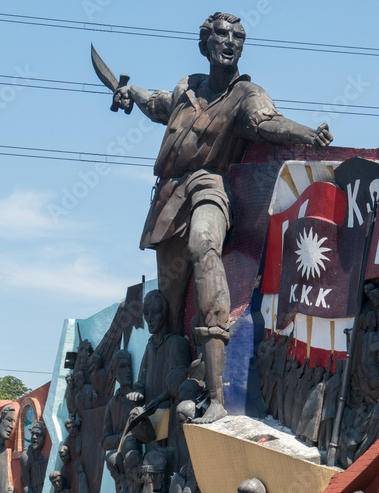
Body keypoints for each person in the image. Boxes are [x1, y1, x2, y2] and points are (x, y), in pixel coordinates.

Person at [110, 11, 333, 423]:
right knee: (171, 305)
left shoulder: (247, 94)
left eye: (238, 38)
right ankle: (169, 398)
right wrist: (128, 92)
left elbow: (268, 124)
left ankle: (217, 396)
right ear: (205, 44)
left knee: (203, 245)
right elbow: (155, 103)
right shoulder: (187, 88)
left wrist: (307, 134)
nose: (230, 43)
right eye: (222, 36)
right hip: (168, 199)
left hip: (211, 187)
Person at [20, 420, 49, 493]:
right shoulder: (26, 456)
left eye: (38, 435)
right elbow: (26, 486)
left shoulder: (43, 456)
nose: (34, 437)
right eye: (33, 434)